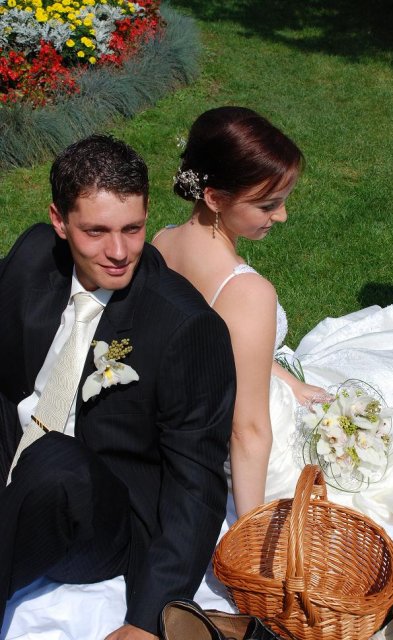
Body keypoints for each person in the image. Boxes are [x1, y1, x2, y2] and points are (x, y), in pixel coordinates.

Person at [152, 106, 393, 611]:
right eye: (268, 204)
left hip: (202, 412)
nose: (281, 216)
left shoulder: (163, 241)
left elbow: (217, 347)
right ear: (214, 197)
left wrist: (288, 380)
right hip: (256, 443)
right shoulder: (246, 292)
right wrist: (250, 534)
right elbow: (249, 431)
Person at [0, 134, 236, 640]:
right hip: (14, 448)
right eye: (96, 231)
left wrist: (149, 619)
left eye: (133, 229)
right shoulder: (34, 255)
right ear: (59, 221)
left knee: (54, 463)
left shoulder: (186, 328)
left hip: (99, 510)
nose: (118, 252)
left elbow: (197, 483)